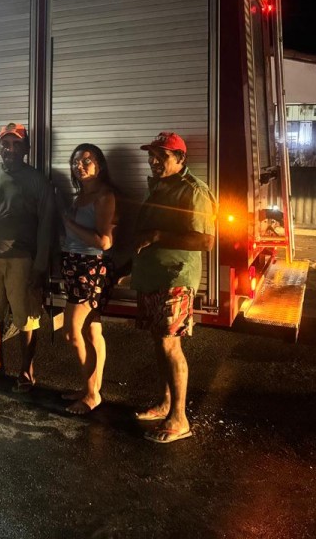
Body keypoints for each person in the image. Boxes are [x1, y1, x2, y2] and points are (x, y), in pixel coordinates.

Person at [131, 132, 215, 444]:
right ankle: (166, 404)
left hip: (174, 279)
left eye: (162, 156)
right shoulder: (159, 187)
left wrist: (157, 236)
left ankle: (180, 418)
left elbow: (205, 241)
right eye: (151, 155)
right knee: (159, 342)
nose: (153, 161)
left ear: (180, 159)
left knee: (170, 344)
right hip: (152, 276)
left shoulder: (192, 190)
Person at [0, 123, 54, 391]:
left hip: (22, 261)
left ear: (26, 148)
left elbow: (47, 225)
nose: (10, 149)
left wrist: (40, 267)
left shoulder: (38, 180)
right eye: (6, 144)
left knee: (26, 318)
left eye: (16, 144)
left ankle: (27, 371)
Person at [58, 143, 117, 414]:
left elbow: (104, 241)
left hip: (90, 267)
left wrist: (69, 224)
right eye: (75, 162)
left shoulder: (104, 197)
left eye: (86, 161)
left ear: (99, 166)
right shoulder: (78, 196)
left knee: (72, 332)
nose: (79, 166)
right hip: (73, 264)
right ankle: (90, 388)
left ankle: (92, 395)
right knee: (92, 330)